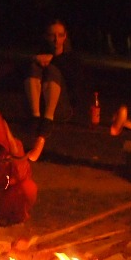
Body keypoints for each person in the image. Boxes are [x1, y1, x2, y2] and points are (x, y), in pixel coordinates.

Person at [24, 19, 84, 163]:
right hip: (39, 109)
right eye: (52, 35)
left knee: (52, 70)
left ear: (65, 36)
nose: (56, 40)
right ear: (46, 36)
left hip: (60, 109)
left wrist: (52, 60)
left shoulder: (72, 59)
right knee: (34, 67)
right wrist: (35, 58)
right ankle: (35, 116)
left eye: (60, 35)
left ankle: (46, 122)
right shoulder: (39, 56)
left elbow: (76, 87)